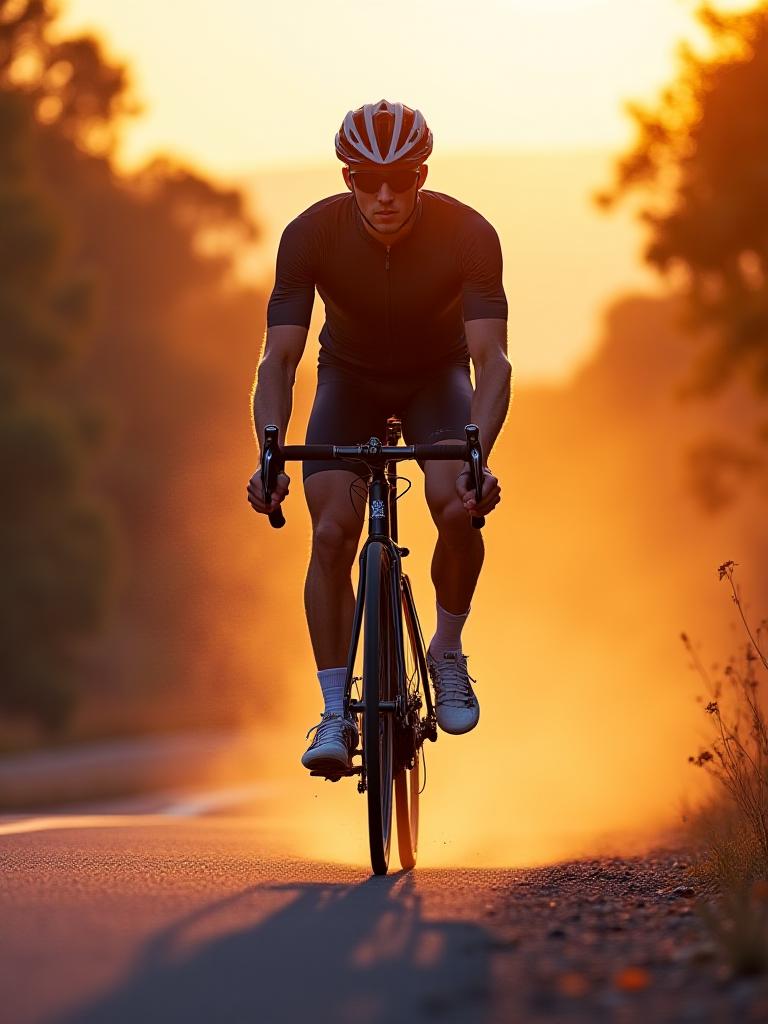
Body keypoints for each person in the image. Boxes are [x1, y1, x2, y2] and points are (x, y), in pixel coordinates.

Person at [249, 99, 512, 775]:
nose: (386, 194)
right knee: (332, 531)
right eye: (368, 179)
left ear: (423, 173)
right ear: (347, 178)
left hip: (436, 381)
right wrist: (270, 450)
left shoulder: (469, 234)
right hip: (350, 383)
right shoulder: (309, 236)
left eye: (401, 176)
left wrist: (478, 453)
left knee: (456, 503)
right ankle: (336, 710)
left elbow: (492, 361)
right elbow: (277, 360)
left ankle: (446, 652)